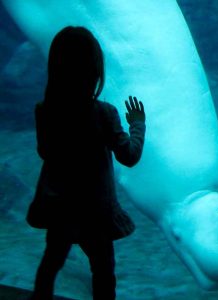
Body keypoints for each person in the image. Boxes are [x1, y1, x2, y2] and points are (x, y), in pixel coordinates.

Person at [27, 26, 146, 300]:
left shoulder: (45, 111)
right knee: (103, 271)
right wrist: (138, 125)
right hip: (94, 211)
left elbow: (45, 151)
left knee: (51, 263)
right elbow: (129, 156)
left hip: (60, 206)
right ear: (95, 70)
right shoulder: (104, 113)